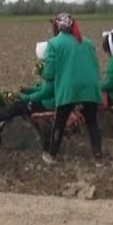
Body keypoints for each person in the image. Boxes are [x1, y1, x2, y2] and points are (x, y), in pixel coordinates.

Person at [38, 13, 103, 164]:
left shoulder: (54, 44)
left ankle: (52, 155)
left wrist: (42, 72)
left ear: (58, 27)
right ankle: (98, 157)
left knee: (60, 121)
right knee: (92, 122)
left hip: (69, 89)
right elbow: (96, 66)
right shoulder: (88, 43)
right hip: (90, 87)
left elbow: (49, 74)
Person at [0, 41, 55, 123]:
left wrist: (25, 97)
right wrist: (30, 90)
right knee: (17, 104)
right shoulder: (54, 71)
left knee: (17, 107)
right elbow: (44, 88)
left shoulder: (52, 74)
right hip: (45, 101)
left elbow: (45, 93)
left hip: (47, 105)